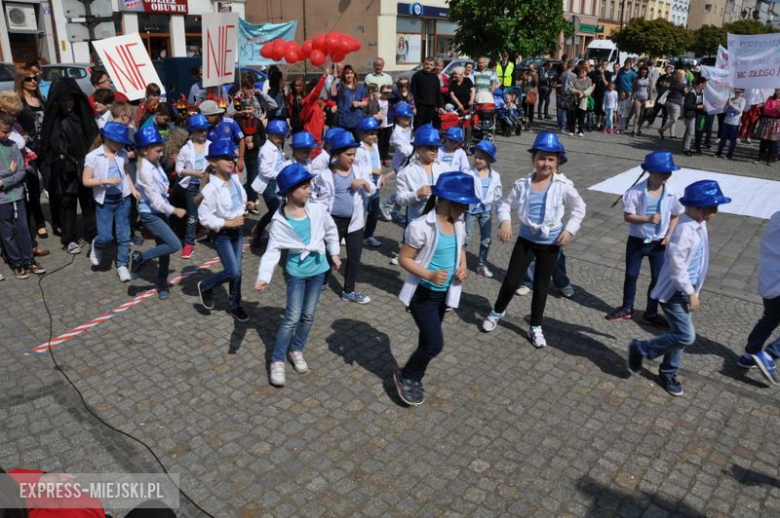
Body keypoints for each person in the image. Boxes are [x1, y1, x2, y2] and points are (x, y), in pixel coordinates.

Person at [482, 132, 586, 348]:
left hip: (550, 244)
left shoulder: (563, 185)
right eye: (541, 158)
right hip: (526, 240)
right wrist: (506, 221)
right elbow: (504, 203)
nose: (545, 163)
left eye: (550, 159)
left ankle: (536, 326)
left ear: (557, 162)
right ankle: (496, 312)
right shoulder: (523, 184)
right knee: (511, 281)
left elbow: (579, 208)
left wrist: (569, 230)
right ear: (533, 159)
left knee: (540, 286)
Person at [628, 180, 731, 396]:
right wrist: (691, 292)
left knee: (679, 335)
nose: (716, 212)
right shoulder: (685, 231)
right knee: (686, 336)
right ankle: (642, 349)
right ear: (698, 208)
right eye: (713, 207)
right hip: (675, 293)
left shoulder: (699, 225)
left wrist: (695, 289)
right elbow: (677, 268)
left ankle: (668, 372)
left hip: (687, 291)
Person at [392, 171, 475, 405]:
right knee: (434, 344)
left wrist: (463, 266)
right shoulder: (420, 226)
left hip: (443, 296)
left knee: (427, 340)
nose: (466, 210)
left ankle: (415, 376)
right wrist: (428, 273)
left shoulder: (457, 223)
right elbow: (404, 259)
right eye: (463, 204)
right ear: (447, 201)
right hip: (423, 295)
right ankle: (406, 375)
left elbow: (460, 249)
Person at [257, 164, 341, 386]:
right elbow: (272, 251)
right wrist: (264, 276)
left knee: (308, 315)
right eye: (303, 187)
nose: (308, 190)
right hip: (296, 273)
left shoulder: (317, 209)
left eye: (308, 186)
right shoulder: (280, 221)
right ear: (289, 191)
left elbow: (330, 230)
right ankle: (277, 360)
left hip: (319, 271)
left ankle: (297, 350)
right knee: (292, 317)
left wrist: (334, 253)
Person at [605, 151, 684, 327]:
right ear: (650, 171)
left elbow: (675, 215)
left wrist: (669, 235)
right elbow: (628, 216)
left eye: (668, 172)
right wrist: (646, 219)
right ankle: (627, 307)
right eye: (662, 172)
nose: (666, 176)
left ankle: (650, 312)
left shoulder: (672, 192)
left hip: (659, 244)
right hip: (637, 241)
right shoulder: (636, 192)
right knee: (631, 274)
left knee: (657, 277)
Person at [312, 130, 375, 304]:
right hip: (333, 222)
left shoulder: (358, 169)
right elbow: (314, 196)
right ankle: (323, 281)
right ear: (337, 154)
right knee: (327, 254)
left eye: (354, 154)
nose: (352, 158)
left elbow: (372, 189)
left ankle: (349, 291)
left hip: (355, 222)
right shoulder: (325, 174)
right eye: (348, 154)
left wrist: (364, 183)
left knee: (354, 258)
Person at [40, 78, 98, 254]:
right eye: (64, 100)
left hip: (84, 165)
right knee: (68, 204)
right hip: (65, 170)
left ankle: (93, 233)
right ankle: (70, 238)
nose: (68, 103)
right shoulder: (54, 120)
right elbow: (49, 145)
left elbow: (93, 138)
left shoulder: (82, 116)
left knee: (88, 202)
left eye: (71, 99)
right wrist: (61, 158)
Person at [196, 141, 250, 321]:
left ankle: (235, 304)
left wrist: (245, 206)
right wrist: (227, 223)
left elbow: (239, 201)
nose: (231, 162)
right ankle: (205, 285)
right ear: (213, 161)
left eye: (232, 158)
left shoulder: (234, 179)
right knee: (232, 271)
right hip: (222, 235)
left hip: (238, 231)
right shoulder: (211, 188)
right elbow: (204, 217)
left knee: (238, 271)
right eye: (226, 158)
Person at [130, 126, 186, 299]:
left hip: (160, 212)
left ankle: (162, 282)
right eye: (158, 151)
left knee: (164, 249)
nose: (161, 154)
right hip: (151, 213)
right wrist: (174, 210)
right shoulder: (145, 171)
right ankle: (141, 257)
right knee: (174, 244)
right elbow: (155, 200)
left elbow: (161, 189)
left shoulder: (154, 164)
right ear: (145, 151)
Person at [82, 121, 138, 281]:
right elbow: (86, 180)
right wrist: (104, 181)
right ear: (109, 139)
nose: (122, 145)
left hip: (123, 199)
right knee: (106, 236)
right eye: (120, 142)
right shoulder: (93, 156)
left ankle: (122, 265)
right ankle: (97, 245)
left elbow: (126, 173)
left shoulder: (122, 155)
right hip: (104, 202)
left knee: (124, 235)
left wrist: (133, 189)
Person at [0, 112, 45, 279]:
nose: (6, 135)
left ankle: (29, 259)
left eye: (8, 132)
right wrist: (7, 172)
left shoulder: (12, 146)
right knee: (6, 232)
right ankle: (16, 262)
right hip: (2, 200)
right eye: (3, 131)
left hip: (17, 196)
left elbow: (20, 171)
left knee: (23, 229)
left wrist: (4, 181)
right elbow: (11, 171)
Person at [737, 210, 780, 383]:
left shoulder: (777, 216)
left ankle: (750, 354)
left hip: (770, 280)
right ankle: (770, 355)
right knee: (770, 318)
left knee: (769, 318)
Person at [14, 67, 47, 240]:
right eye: (29, 79)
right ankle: (40, 223)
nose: (33, 81)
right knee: (34, 189)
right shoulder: (18, 102)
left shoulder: (41, 98)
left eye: (35, 78)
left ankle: (57, 221)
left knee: (52, 185)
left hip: (46, 149)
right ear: (21, 81)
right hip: (29, 151)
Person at [175, 114, 211, 259]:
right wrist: (193, 173)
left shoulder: (211, 145)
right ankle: (189, 243)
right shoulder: (186, 149)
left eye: (205, 130)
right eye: (200, 130)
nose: (203, 133)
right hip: (192, 186)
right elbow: (179, 169)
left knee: (212, 211)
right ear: (192, 132)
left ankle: (213, 235)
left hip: (209, 186)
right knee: (192, 216)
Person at [465, 140, 502, 278]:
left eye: (481, 158)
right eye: (476, 157)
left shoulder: (495, 176)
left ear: (489, 160)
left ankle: (481, 264)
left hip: (486, 211)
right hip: (470, 211)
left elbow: (498, 195)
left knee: (486, 239)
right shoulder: (469, 173)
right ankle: (458, 261)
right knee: (466, 237)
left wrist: (500, 213)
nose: (477, 160)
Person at [251, 119, 289, 247]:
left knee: (280, 209)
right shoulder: (266, 150)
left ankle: (277, 234)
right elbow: (265, 171)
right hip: (268, 185)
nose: (281, 139)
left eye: (283, 137)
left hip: (278, 183)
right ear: (270, 134)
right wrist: (280, 174)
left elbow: (280, 162)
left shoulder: (276, 146)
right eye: (279, 136)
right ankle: (258, 232)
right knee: (275, 209)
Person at [354, 116, 383, 248]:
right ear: (362, 134)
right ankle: (354, 235)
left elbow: (378, 164)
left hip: (375, 186)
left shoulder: (375, 147)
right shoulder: (359, 149)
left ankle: (368, 235)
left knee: (374, 212)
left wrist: (381, 177)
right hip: (365, 186)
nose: (374, 136)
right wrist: (372, 171)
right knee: (361, 211)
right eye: (370, 134)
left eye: (375, 133)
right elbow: (357, 168)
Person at [201, 99, 245, 173]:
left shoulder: (231, 123)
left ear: (215, 115)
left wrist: (240, 159)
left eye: (207, 118)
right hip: (216, 158)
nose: (205, 120)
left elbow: (241, 139)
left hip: (233, 156)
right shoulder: (206, 127)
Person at [331, 65, 367, 137]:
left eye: (351, 73)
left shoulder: (360, 87)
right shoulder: (340, 86)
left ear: (354, 74)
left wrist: (358, 103)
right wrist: (334, 79)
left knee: (359, 143)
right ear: (344, 75)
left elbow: (366, 102)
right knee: (345, 144)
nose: (349, 75)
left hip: (357, 120)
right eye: (347, 73)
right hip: (344, 120)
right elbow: (333, 93)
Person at [411, 57, 443, 129]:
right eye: (426, 64)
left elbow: (438, 93)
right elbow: (413, 93)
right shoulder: (417, 76)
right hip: (420, 106)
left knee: (427, 127)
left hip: (431, 106)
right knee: (418, 126)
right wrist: (413, 106)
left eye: (431, 65)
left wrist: (440, 106)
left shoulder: (435, 77)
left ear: (434, 66)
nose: (428, 66)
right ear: (423, 64)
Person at [715, 88, 746, 160]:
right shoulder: (731, 99)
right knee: (723, 138)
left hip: (735, 122)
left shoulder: (742, 100)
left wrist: (732, 105)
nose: (737, 94)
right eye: (736, 92)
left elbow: (740, 110)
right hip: (726, 121)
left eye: (739, 92)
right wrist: (727, 105)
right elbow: (724, 110)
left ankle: (730, 153)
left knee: (733, 139)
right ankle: (719, 151)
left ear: (742, 93)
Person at [658, 70, 687, 140]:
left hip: (668, 102)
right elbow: (686, 94)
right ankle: (662, 129)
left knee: (671, 118)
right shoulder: (683, 85)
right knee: (674, 119)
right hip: (676, 103)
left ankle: (672, 134)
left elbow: (669, 91)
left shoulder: (672, 83)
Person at [682, 77, 707, 156]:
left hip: (696, 114)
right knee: (690, 132)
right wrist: (698, 107)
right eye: (704, 83)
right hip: (690, 114)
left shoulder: (701, 92)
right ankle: (686, 149)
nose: (705, 85)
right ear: (700, 84)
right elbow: (687, 105)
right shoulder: (692, 93)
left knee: (689, 132)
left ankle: (686, 147)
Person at [755, 88, 780, 165]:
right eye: (777, 90)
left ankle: (769, 160)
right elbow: (766, 109)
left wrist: (775, 110)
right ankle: (760, 158)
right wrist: (776, 110)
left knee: (772, 141)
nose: (778, 92)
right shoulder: (770, 98)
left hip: (776, 122)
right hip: (767, 121)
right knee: (764, 141)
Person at [569, 65, 594, 137]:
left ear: (586, 72)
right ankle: (572, 130)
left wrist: (583, 94)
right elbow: (570, 88)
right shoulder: (574, 79)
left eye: (583, 72)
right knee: (573, 116)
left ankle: (581, 130)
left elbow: (590, 89)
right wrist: (577, 91)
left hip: (583, 100)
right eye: (580, 72)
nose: (581, 73)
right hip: (574, 100)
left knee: (582, 117)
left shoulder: (589, 80)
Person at [631, 66, 651, 136]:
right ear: (640, 71)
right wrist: (632, 98)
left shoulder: (649, 79)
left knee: (643, 115)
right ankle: (634, 130)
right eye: (643, 70)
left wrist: (650, 100)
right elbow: (633, 89)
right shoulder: (636, 78)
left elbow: (650, 90)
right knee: (637, 115)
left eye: (645, 71)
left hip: (646, 98)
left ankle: (639, 129)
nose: (644, 72)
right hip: (637, 98)